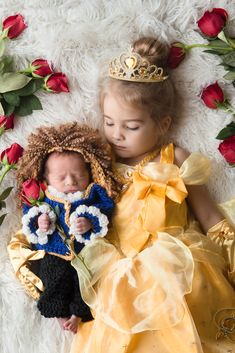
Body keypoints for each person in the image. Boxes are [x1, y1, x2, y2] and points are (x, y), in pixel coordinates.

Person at [69, 37, 235, 353]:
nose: (116, 133)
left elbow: (210, 216)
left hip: (180, 268)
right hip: (122, 275)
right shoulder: (100, 164)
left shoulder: (176, 158)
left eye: (131, 126)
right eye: (109, 122)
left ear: (163, 125)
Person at [8, 122, 119, 334]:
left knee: (85, 281)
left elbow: (105, 211)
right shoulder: (47, 198)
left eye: (78, 176)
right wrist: (41, 222)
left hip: (84, 252)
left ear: (89, 172)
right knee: (54, 277)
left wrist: (89, 222)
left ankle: (78, 313)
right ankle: (59, 312)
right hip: (54, 252)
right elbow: (30, 217)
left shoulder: (91, 194)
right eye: (61, 177)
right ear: (47, 179)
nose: (70, 181)